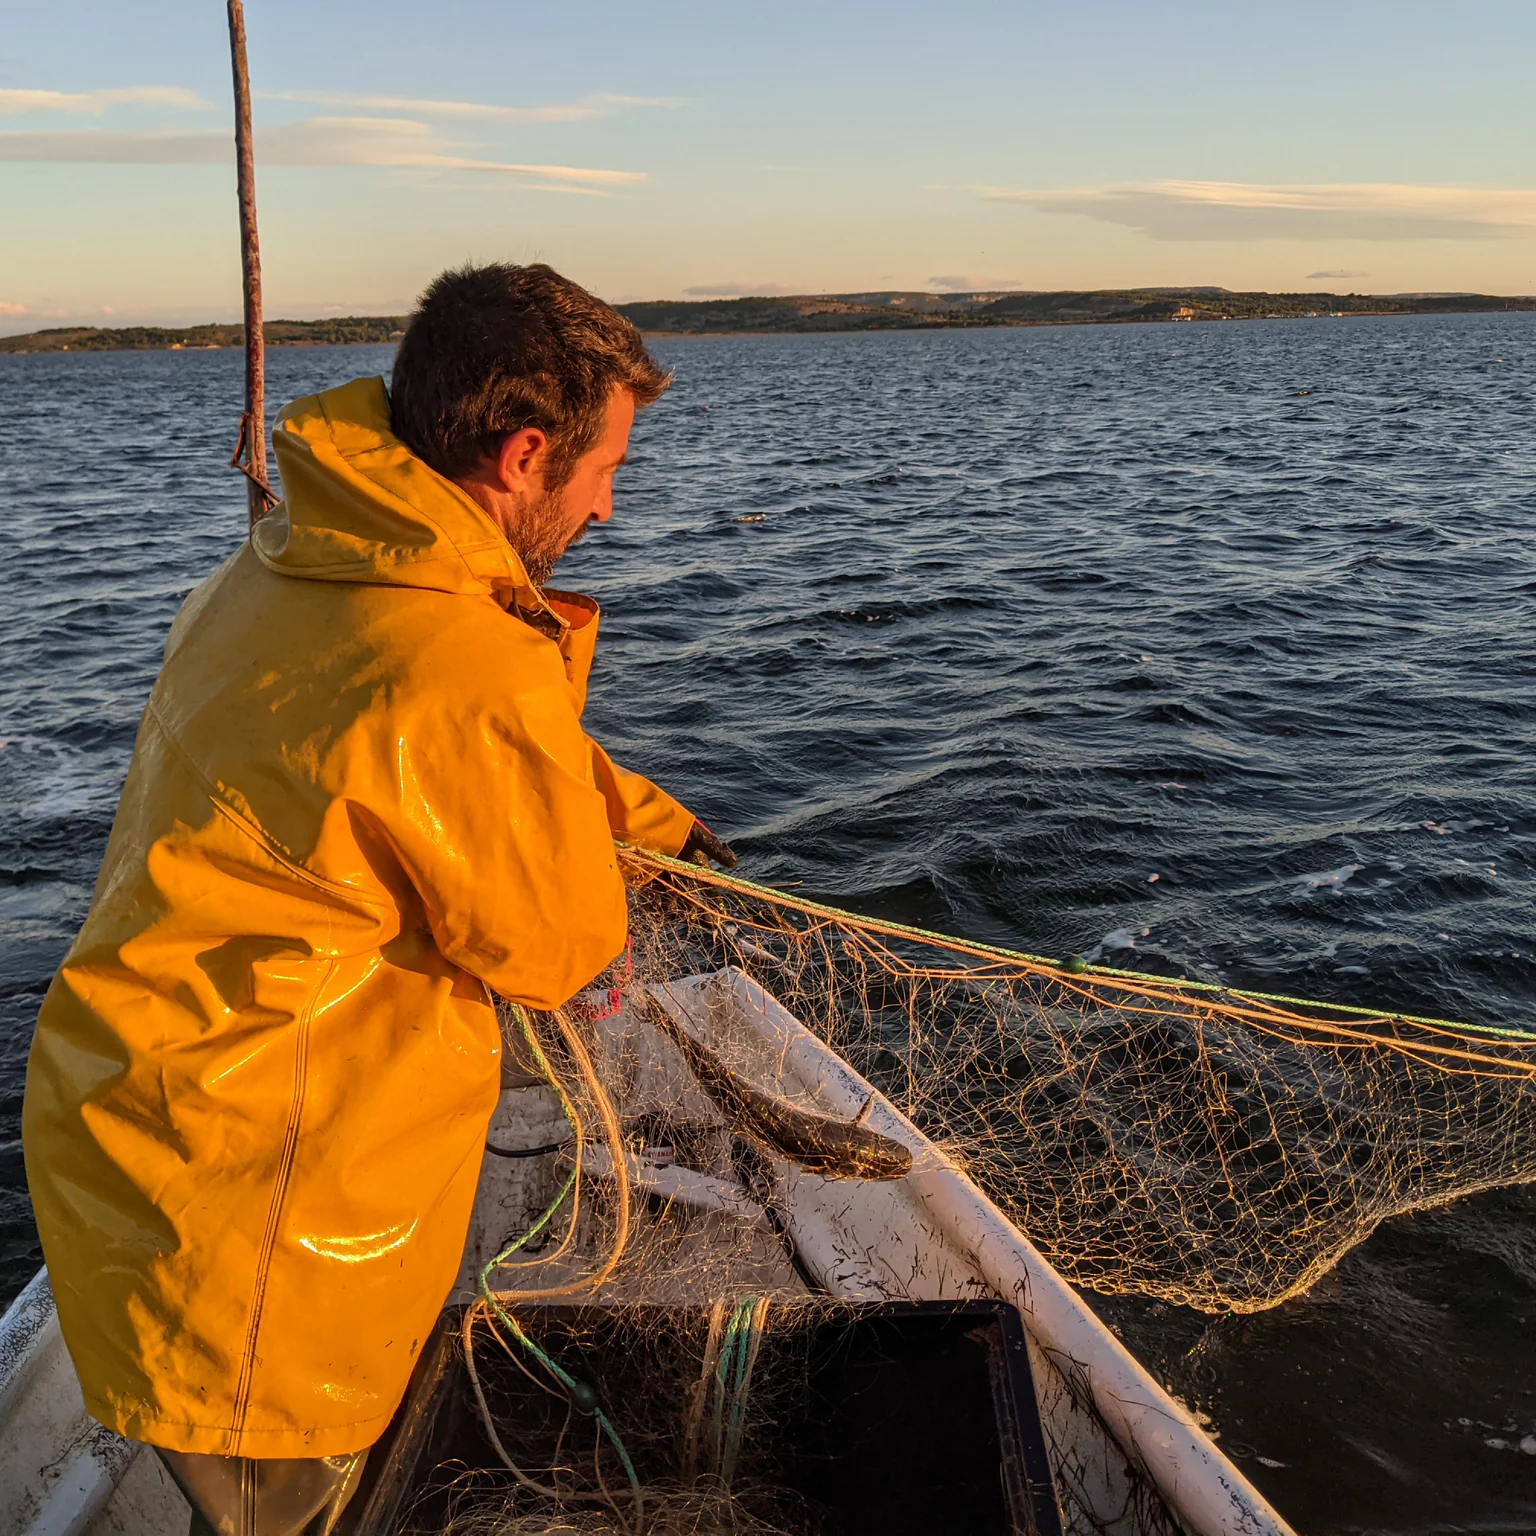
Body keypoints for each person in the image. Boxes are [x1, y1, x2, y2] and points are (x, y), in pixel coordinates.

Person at [22, 262, 736, 1535]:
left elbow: (448, 753)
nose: (610, 507)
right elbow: (558, 944)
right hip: (262, 1238)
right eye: (606, 470)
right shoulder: (463, 662)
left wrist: (656, 822)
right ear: (525, 455)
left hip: (139, 1137)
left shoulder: (291, 570)